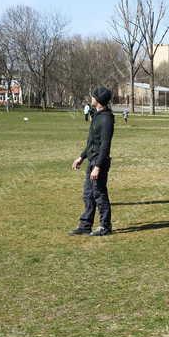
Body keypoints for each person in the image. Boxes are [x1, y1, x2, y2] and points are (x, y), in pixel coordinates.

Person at [70, 86, 114, 236]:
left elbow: (105, 145)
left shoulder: (106, 119)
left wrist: (98, 166)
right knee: (88, 194)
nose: (91, 98)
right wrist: (82, 157)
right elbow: (92, 143)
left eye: (94, 96)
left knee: (99, 194)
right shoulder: (97, 115)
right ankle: (85, 225)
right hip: (92, 160)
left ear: (99, 100)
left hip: (99, 162)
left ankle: (105, 226)